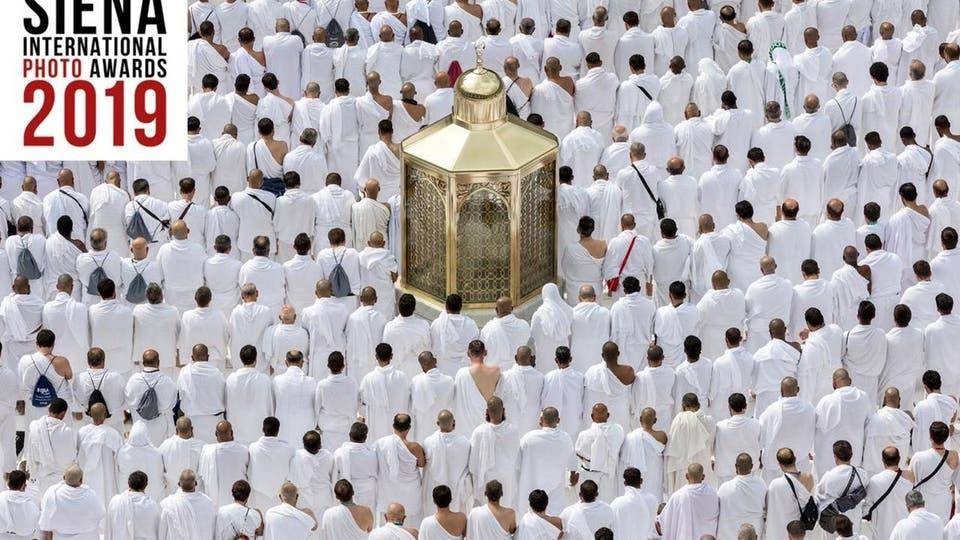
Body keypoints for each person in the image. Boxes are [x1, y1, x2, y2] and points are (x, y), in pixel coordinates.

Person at [758, 377, 817, 482]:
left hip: (775, 464)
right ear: (798, 389)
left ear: (781, 390)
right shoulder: (809, 408)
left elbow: (761, 434)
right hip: (800, 461)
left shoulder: (772, 410)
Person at [25, 398, 78, 498]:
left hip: (42, 476)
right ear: (63, 414)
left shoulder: (34, 427)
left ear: (49, 409)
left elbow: (30, 453)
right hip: (62, 479)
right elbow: (72, 457)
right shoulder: (68, 432)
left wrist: (33, 472)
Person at [38, 466, 104, 540]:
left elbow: (46, 522)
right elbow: (100, 514)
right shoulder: (91, 495)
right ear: (81, 480)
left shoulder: (52, 494)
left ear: (64, 477)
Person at [909, 421, 958, 522]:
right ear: (946, 436)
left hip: (924, 500)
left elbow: (911, 480)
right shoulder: (954, 456)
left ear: (930, 436)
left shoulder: (919, 457)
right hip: (944, 500)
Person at [76, 402, 123, 508]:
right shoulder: (113, 434)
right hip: (108, 477)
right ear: (105, 414)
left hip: (87, 476)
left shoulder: (82, 432)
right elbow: (121, 458)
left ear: (90, 415)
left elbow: (77, 454)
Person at [576, 403, 626, 502]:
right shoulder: (617, 430)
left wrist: (593, 460)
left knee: (587, 502)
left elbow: (579, 452)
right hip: (609, 474)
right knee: (607, 502)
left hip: (589, 474)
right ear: (608, 415)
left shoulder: (584, 435)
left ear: (591, 416)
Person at [177, 344, 227, 443]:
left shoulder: (185, 372)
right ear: (208, 357)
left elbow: (180, 394)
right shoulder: (217, 373)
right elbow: (223, 394)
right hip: (214, 421)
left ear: (192, 357)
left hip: (192, 422)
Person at [815, 440, 868, 532]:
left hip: (835, 522)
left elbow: (819, 499)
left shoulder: (829, 476)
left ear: (835, 456)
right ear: (851, 455)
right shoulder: (862, 474)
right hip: (854, 520)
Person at [664, 394, 714, 491]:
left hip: (682, 464)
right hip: (702, 462)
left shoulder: (679, 419)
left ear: (683, 405)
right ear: (698, 405)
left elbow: (672, 442)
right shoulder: (708, 420)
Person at [842, 301, 887, 406]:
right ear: (874, 316)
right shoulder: (880, 334)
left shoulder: (847, 335)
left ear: (857, 315)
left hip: (852, 380)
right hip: (871, 380)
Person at [657, 463, 718, 540]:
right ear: (703, 477)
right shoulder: (712, 494)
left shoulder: (678, 496)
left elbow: (663, 522)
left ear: (686, 476)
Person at [743, 257, 792, 352]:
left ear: (761, 270)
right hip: (780, 330)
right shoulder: (787, 284)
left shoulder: (754, 287)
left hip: (758, 332)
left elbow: (747, 308)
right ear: (776, 266)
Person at [764, 448, 814, 540]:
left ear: (779, 464)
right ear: (795, 459)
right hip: (799, 529)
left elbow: (769, 507)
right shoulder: (808, 477)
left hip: (781, 528)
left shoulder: (775, 484)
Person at [247, 416, 295, 512]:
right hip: (279, 495)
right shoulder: (288, 449)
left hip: (258, 494)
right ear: (278, 431)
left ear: (263, 429)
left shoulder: (253, 447)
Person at [198, 421, 250, 507]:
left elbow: (201, 474)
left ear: (215, 434)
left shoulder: (207, 451)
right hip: (239, 498)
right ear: (232, 433)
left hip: (216, 501)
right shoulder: (243, 450)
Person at [713, 394, 760, 484]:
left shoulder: (720, 426)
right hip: (749, 472)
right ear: (746, 406)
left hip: (726, 473)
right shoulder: (755, 424)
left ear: (729, 407)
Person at [716, 453, 765, 540]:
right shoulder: (761, 485)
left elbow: (717, 509)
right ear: (752, 466)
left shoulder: (725, 488)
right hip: (754, 532)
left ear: (736, 467)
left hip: (730, 533)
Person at [159, 469, 218, 540]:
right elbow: (214, 529)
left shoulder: (169, 504)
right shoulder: (208, 502)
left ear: (179, 484)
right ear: (196, 483)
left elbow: (162, 532)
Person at [105, 471, 161, 540]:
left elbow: (109, 530)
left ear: (128, 484)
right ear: (146, 485)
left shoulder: (115, 502)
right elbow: (157, 533)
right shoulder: (152, 507)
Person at [158, 417, 205, 497]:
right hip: (195, 492)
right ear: (192, 428)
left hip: (172, 492)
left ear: (176, 429)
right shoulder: (202, 446)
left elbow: (160, 469)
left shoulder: (165, 445)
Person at [0, 470, 40, 540]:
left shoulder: (1, 498)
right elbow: (36, 526)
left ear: (8, 483)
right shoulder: (32, 503)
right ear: (24, 485)